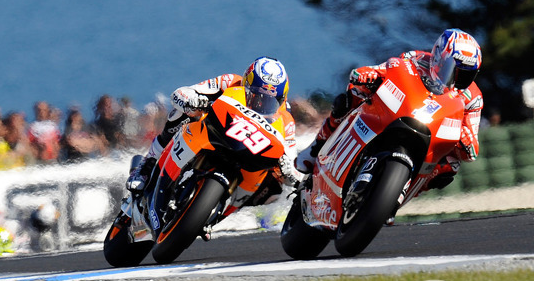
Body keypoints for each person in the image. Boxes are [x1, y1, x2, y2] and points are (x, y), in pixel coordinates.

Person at [295, 28, 483, 193]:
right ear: (439, 58)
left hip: (432, 140)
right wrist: (370, 74)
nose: (458, 78)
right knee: (351, 96)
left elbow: (472, 151)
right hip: (401, 113)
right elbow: (387, 70)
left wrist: (465, 139)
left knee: (450, 167)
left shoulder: (473, 98)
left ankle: (398, 192)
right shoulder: (416, 59)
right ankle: (318, 145)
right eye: (454, 69)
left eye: (466, 74)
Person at [125, 56, 299, 204]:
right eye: (255, 95)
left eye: (270, 100)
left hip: (248, 154)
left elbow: (291, 157)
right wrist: (193, 101)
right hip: (216, 131)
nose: (261, 103)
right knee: (182, 113)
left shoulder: (286, 119)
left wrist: (288, 169)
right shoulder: (230, 81)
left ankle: (226, 209)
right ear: (246, 83)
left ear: (281, 98)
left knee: (273, 185)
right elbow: (183, 93)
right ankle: (148, 164)